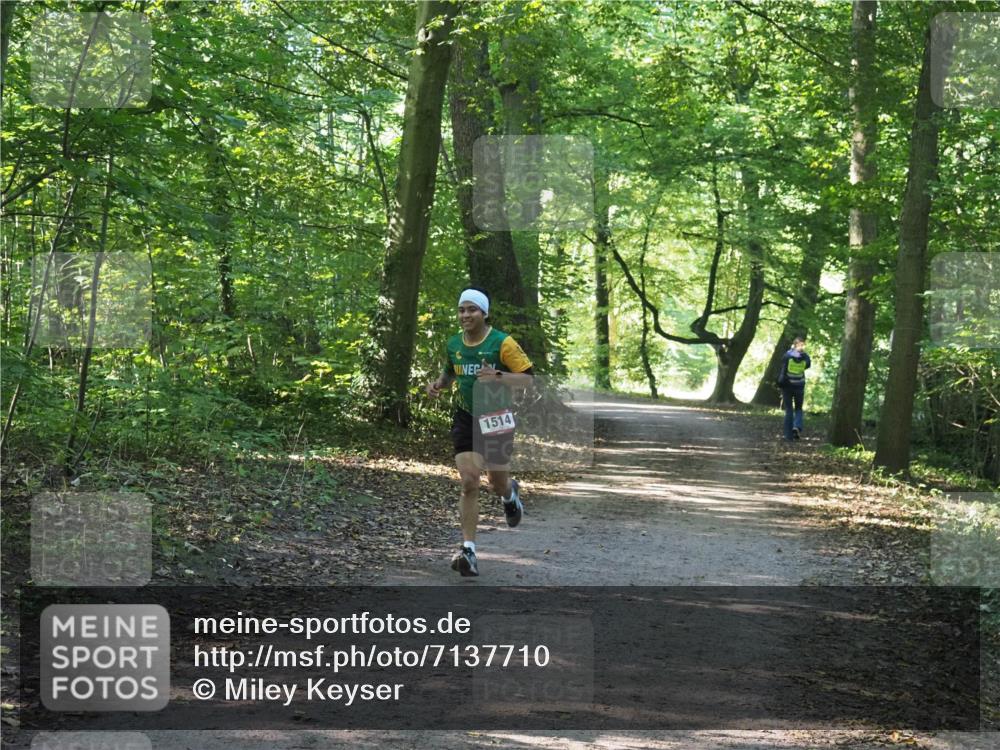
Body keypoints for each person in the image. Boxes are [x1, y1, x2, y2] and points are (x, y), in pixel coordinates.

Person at [426, 287, 534, 577]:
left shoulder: (502, 343)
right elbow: (450, 371)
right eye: (462, 310)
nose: (465, 315)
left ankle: (509, 494)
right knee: (469, 481)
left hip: (497, 417)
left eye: (472, 309)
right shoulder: (453, 343)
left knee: (496, 483)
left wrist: (497, 375)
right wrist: (437, 385)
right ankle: (468, 550)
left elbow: (528, 380)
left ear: (484, 313)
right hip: (465, 417)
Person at [778, 336, 811, 441]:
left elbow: (782, 365)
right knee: (798, 409)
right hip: (799, 386)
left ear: (794, 345)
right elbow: (807, 365)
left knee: (789, 410)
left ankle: (788, 436)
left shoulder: (787, 355)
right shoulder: (805, 357)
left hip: (787, 386)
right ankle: (797, 426)